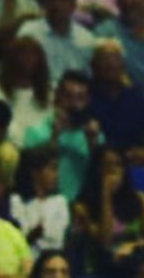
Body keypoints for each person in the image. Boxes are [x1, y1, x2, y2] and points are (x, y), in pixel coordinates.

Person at [73, 145, 144, 275]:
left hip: (135, 262)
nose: (113, 170)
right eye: (107, 165)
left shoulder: (140, 199)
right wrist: (106, 195)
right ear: (97, 170)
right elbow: (105, 242)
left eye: (118, 165)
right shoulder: (82, 207)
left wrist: (134, 247)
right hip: (102, 267)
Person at [23, 69, 103, 202]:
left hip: (83, 204)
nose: (74, 103)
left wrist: (92, 143)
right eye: (68, 96)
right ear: (57, 96)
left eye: (80, 98)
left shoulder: (94, 135)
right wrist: (55, 136)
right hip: (46, 204)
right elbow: (29, 175)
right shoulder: (36, 132)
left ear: (88, 101)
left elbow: (102, 176)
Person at [18, 0, 96, 85]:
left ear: (73, 5)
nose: (56, 5)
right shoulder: (29, 33)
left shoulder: (86, 39)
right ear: (44, 3)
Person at [0, 36, 52, 146]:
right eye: (24, 55)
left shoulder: (48, 92)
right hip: (10, 147)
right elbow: (1, 128)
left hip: (45, 146)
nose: (29, 59)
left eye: (34, 55)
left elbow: (50, 122)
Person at [11, 144, 70, 257]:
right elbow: (17, 240)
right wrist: (32, 236)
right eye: (52, 169)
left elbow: (58, 238)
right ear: (35, 172)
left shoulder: (60, 202)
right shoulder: (17, 202)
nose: (56, 175)